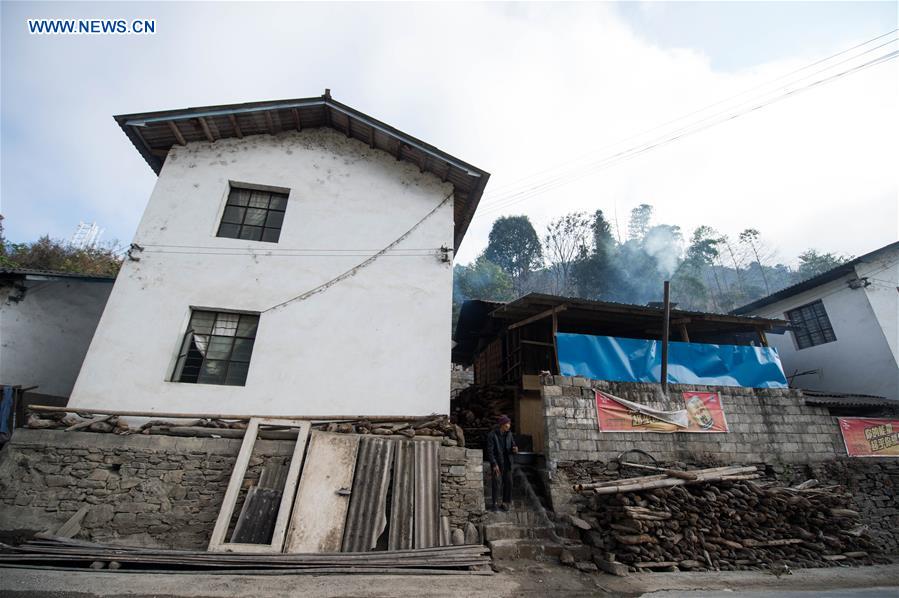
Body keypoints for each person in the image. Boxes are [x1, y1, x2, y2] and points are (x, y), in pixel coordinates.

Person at [486, 414, 518, 511]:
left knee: (509, 482)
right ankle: (494, 504)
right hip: (497, 463)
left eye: (509, 423)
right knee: (497, 482)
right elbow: (490, 451)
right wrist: (494, 464)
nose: (509, 425)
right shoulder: (492, 435)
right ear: (502, 424)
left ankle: (505, 503)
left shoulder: (509, 434)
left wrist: (515, 449)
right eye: (507, 424)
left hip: (507, 463)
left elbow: (513, 445)